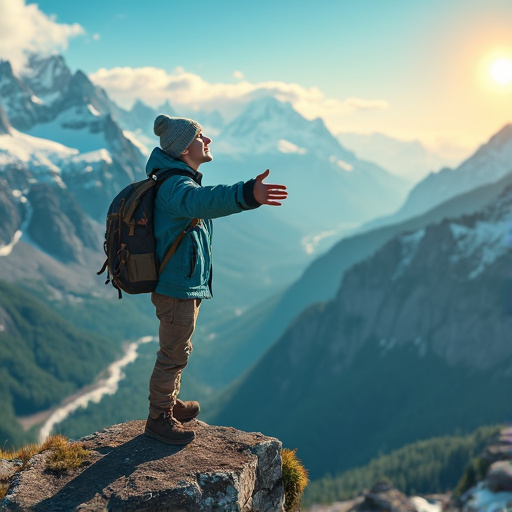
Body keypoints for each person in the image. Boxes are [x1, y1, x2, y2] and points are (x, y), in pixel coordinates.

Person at [144, 114, 288, 445]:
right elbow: (205, 201)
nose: (206, 141)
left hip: (181, 283)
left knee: (179, 346)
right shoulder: (176, 186)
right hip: (176, 286)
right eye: (200, 136)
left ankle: (169, 402)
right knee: (173, 351)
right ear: (182, 149)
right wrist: (247, 193)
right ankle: (158, 417)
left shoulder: (178, 180)